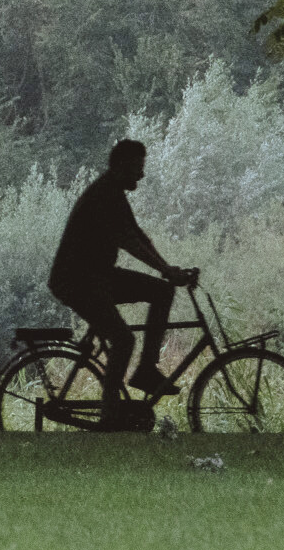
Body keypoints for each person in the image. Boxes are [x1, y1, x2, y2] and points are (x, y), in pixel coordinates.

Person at [48, 138, 196, 397]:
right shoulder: (105, 195)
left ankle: (146, 370)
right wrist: (165, 270)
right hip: (77, 281)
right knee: (124, 340)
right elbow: (129, 242)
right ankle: (110, 411)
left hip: (97, 277)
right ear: (120, 166)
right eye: (137, 167)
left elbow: (138, 236)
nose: (142, 173)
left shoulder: (113, 191)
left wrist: (166, 268)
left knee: (162, 292)